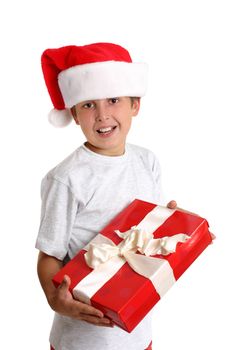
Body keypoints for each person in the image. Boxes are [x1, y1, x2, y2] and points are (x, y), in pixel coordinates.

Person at [36, 42, 178, 350]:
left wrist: (173, 223)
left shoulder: (147, 161)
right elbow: (48, 256)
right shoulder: (66, 178)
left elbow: (150, 231)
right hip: (83, 339)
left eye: (113, 100)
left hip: (137, 333)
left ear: (134, 105)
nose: (102, 115)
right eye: (88, 104)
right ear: (74, 113)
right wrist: (56, 300)